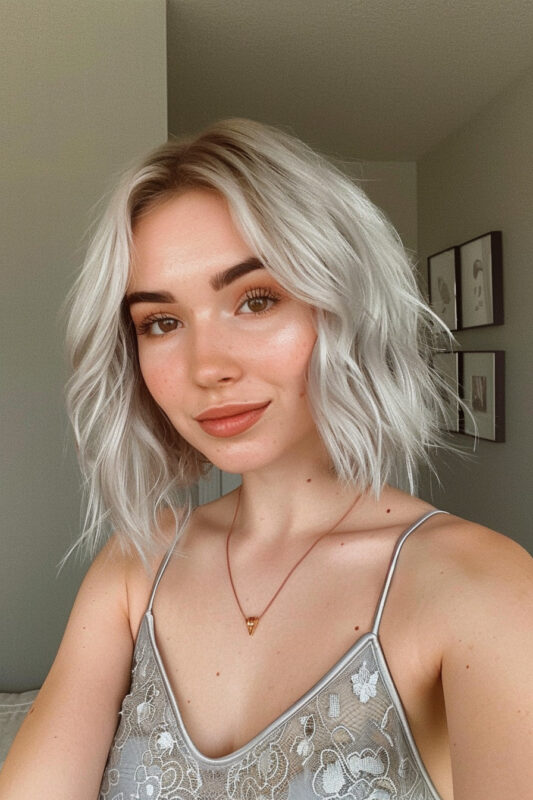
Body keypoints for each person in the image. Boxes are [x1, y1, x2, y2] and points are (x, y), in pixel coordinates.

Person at [1, 119, 531, 800]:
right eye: (161, 322)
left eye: (255, 299)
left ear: (342, 305)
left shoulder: (477, 583)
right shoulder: (136, 566)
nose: (207, 367)